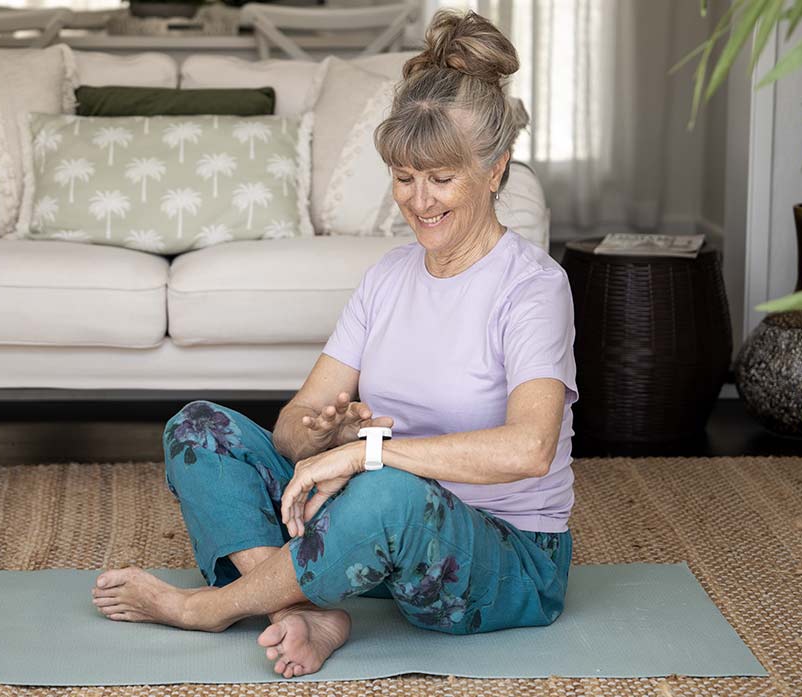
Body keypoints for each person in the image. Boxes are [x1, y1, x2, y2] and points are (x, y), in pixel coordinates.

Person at [90, 9, 577, 679]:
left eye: (442, 178)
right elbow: (295, 424)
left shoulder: (533, 286)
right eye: (404, 177)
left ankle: (211, 606)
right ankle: (302, 609)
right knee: (199, 426)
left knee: (386, 489)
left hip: (507, 560)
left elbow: (530, 446)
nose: (419, 201)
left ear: (495, 170)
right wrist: (321, 440)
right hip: (375, 533)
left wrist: (365, 452)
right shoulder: (387, 277)